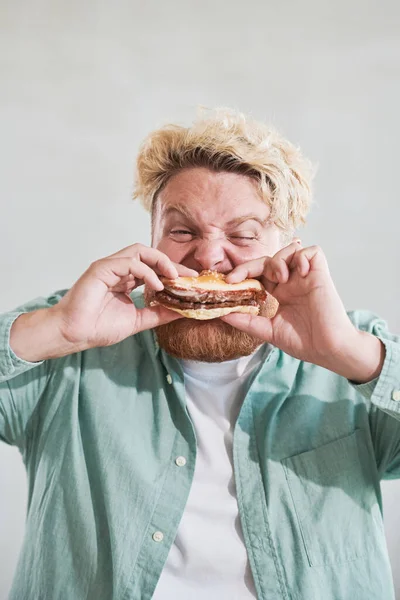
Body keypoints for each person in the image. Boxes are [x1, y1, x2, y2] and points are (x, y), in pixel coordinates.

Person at [0, 108, 399, 600]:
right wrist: (55, 329)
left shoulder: (354, 352)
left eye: (243, 234)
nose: (209, 258)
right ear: (152, 238)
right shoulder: (69, 346)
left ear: (287, 247)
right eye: (183, 232)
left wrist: (351, 355)